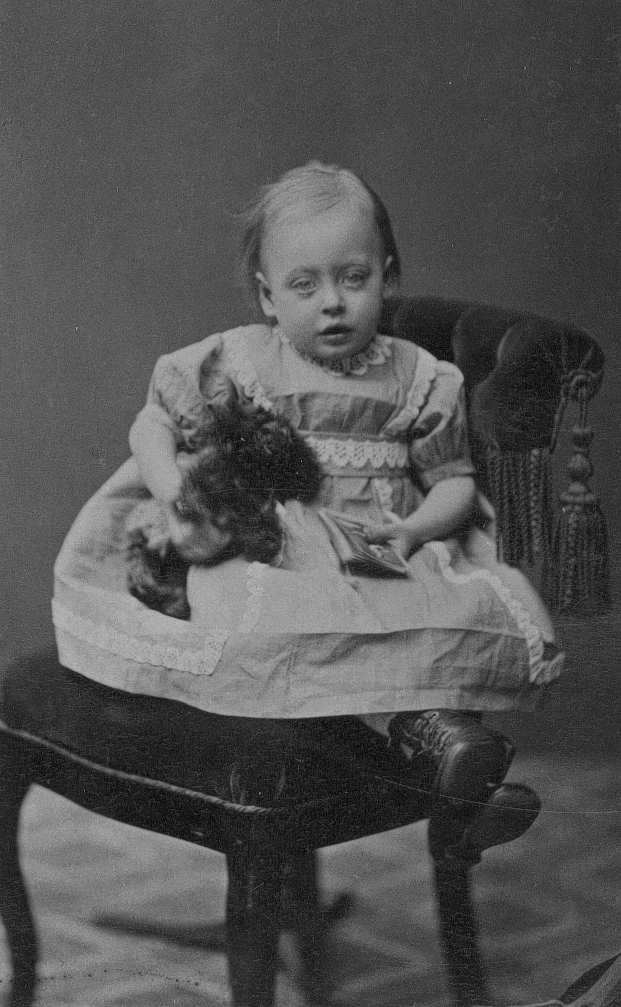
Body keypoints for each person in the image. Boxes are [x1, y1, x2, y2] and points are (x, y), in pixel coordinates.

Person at [53, 161, 563, 862]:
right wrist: (174, 492)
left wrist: (414, 528)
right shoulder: (241, 361)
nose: (332, 303)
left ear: (386, 278)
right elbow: (153, 424)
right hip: (275, 545)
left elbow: (453, 482)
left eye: (353, 279)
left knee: (416, 623)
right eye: (305, 285)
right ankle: (447, 763)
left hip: (376, 543)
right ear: (268, 296)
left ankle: (453, 765)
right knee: (267, 617)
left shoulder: (419, 376)